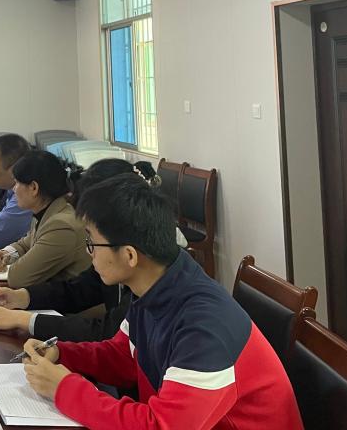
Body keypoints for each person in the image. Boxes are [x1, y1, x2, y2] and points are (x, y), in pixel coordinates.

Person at [21, 174, 303, 430]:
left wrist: (64, 389)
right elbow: (123, 356)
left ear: (129, 255)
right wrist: (62, 353)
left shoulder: (204, 327)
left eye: (92, 243)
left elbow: (161, 426)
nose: (90, 253)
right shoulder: (156, 287)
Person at [0, 158, 158, 341]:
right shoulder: (122, 247)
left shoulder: (150, 275)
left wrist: (26, 320)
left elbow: (109, 332)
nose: (89, 250)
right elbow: (78, 290)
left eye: (91, 239)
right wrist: (21, 297)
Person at [0, 150, 90, 288]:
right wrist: (5, 254)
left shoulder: (61, 226)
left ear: (34, 188)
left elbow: (18, 278)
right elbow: (24, 244)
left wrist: (14, 263)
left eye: (17, 183)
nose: (14, 189)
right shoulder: (48, 212)